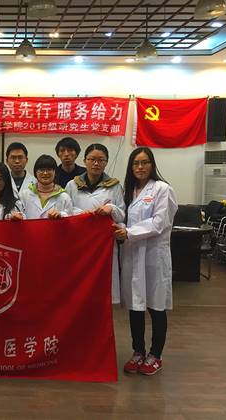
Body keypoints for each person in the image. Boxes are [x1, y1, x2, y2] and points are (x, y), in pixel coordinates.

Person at [113, 147, 177, 376]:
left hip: (153, 256)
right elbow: (124, 217)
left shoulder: (162, 189)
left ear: (152, 165)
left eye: (145, 162)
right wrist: (119, 228)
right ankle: (138, 351)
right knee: (135, 306)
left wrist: (129, 232)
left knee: (156, 306)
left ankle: (155, 355)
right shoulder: (129, 191)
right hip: (132, 255)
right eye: (136, 163)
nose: (140, 167)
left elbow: (160, 222)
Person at [65, 144, 125, 304]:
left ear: (106, 162)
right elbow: (65, 211)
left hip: (103, 246)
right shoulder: (72, 185)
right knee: (79, 289)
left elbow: (122, 215)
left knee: (101, 291)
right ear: (84, 161)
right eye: (92, 159)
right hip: (79, 243)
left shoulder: (114, 186)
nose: (96, 163)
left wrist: (111, 208)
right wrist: (80, 214)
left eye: (101, 160)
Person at [19, 154, 73, 219]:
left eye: (49, 169)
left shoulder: (64, 197)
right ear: (35, 172)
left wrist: (61, 215)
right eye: (41, 170)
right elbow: (19, 215)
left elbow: (70, 219)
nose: (45, 173)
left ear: (55, 172)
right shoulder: (25, 195)